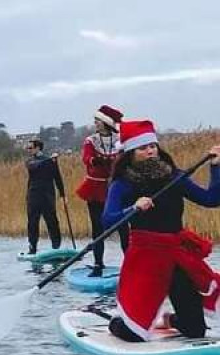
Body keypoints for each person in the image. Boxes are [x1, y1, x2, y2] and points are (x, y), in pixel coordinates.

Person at [103, 120, 220, 342]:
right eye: (143, 148)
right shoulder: (122, 184)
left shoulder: (174, 177)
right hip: (145, 257)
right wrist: (133, 208)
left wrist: (216, 167)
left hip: (177, 254)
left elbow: (211, 199)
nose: (150, 151)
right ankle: (116, 322)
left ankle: (171, 319)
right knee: (133, 334)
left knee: (195, 331)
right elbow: (108, 220)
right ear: (130, 153)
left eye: (152, 146)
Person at [76, 104, 127, 276]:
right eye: (95, 121)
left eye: (98, 121)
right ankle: (98, 264)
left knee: (123, 226)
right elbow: (87, 157)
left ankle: (129, 262)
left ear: (106, 123)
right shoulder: (91, 141)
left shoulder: (120, 140)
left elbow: (124, 157)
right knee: (98, 227)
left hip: (116, 187)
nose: (95, 124)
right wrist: (94, 161)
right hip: (95, 188)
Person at [24, 138, 65, 253]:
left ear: (38, 148)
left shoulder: (50, 161)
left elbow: (57, 177)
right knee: (33, 222)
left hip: (48, 195)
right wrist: (50, 160)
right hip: (33, 195)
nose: (28, 150)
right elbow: (35, 166)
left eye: (30, 148)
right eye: (28, 148)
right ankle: (32, 247)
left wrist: (62, 194)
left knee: (52, 221)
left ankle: (56, 246)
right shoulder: (30, 161)